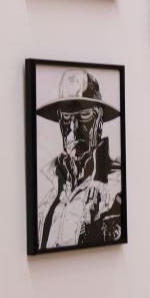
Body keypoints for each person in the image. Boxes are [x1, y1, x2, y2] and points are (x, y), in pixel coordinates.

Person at [36, 69, 123, 250]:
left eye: (84, 116)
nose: (74, 128)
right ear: (60, 123)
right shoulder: (50, 191)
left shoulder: (116, 184)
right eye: (67, 118)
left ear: (99, 121)